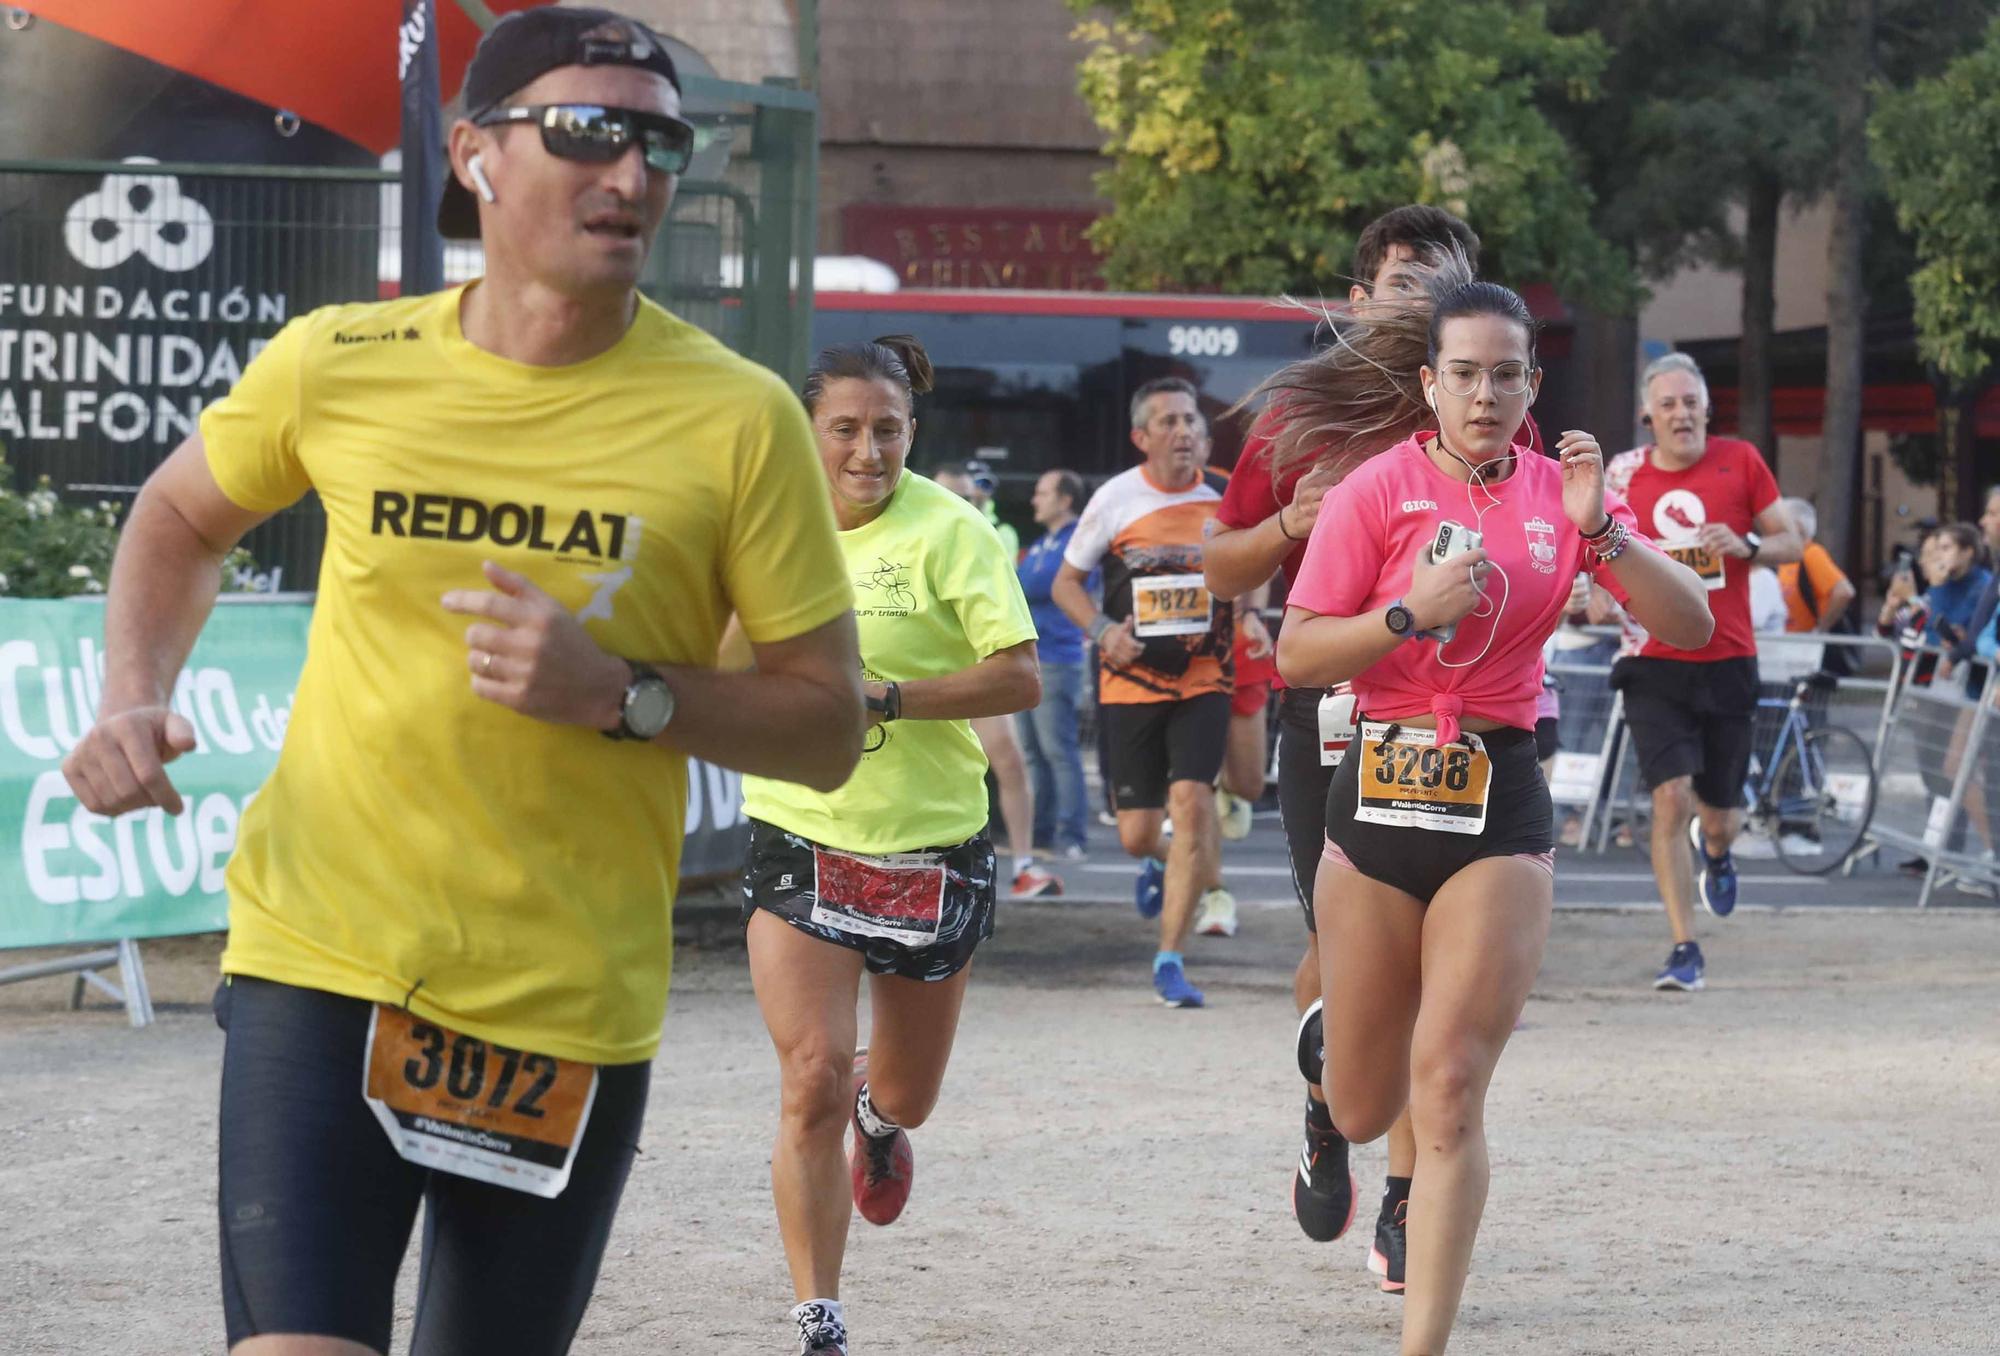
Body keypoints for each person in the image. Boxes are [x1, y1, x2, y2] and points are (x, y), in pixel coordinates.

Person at [58, 11, 866, 1355]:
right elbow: (179, 518)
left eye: (660, 141)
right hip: (322, 957)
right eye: (589, 132)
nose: (632, 174)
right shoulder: (340, 364)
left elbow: (830, 724)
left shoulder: (737, 418)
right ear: (479, 154)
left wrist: (622, 692)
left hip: (562, 999)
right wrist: (129, 692)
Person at [1275, 276, 1710, 1355]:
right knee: (1371, 1103)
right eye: (1462, 374)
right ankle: (1327, 1101)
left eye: (1504, 374)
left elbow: (1690, 623)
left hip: (1496, 791)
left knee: (1453, 1083)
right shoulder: (1374, 490)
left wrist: (1599, 530)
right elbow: (1294, 653)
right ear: (1427, 383)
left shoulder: (1560, 496)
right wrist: (1401, 615)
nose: (1483, 394)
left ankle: (1423, 1342)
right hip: (1375, 790)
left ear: (1531, 383)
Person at [1202, 203, 1515, 1280]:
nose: (1428, 297)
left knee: (1437, 973)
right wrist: (1297, 521)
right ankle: (1325, 1106)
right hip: (1333, 706)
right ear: (1356, 299)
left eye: (1448, 279)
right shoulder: (1297, 416)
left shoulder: (1488, 401)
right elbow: (1216, 568)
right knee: (1344, 964)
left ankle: (1400, 1195)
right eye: (1405, 279)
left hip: (1455, 722)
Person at [737, 336, 1041, 1356]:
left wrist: (886, 698)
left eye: (888, 431)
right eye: (846, 430)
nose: (868, 452)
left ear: (912, 433)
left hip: (929, 848)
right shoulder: (765, 527)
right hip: (801, 831)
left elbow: (1018, 677)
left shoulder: (949, 531)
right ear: (806, 431)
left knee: (899, 1089)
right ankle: (817, 1312)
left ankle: (883, 1115)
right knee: (809, 1074)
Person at [1600, 351, 1802, 993]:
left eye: (1691, 402)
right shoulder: (1624, 475)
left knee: (1719, 815)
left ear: (1708, 409)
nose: (1681, 414)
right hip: (1651, 660)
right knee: (1669, 797)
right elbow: (1599, 555)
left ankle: (1716, 851)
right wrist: (1600, 596)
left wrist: (1745, 546)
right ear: (1647, 414)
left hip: (1728, 659)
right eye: (1668, 404)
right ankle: (1684, 945)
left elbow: (1793, 542)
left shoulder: (1740, 460)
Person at [1053, 376, 1234, 1008]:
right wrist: (1104, 633)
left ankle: (1170, 959)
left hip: (1206, 678)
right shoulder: (1114, 499)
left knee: (1190, 803)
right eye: (1169, 422)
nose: (1185, 432)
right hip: (1129, 681)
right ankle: (1170, 864)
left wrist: (1260, 624)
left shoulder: (1228, 496)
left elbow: (1255, 563)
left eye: (1192, 421)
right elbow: (1066, 585)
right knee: (1137, 833)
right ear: (1141, 437)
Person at [935, 465, 1062, 897]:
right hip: (918, 671)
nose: (964, 503)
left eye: (971, 498)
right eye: (953, 494)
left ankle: (1023, 863)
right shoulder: (912, 529)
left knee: (1008, 759)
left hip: (971, 667)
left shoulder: (984, 533)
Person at [1016, 469, 1093, 860]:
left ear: (1065, 500)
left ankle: (1071, 834)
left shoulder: (1075, 538)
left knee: (1058, 750)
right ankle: (1042, 833)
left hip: (1058, 659)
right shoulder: (1045, 542)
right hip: (1035, 659)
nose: (1035, 500)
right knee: (1033, 751)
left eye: (1042, 493)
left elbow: (1033, 584)